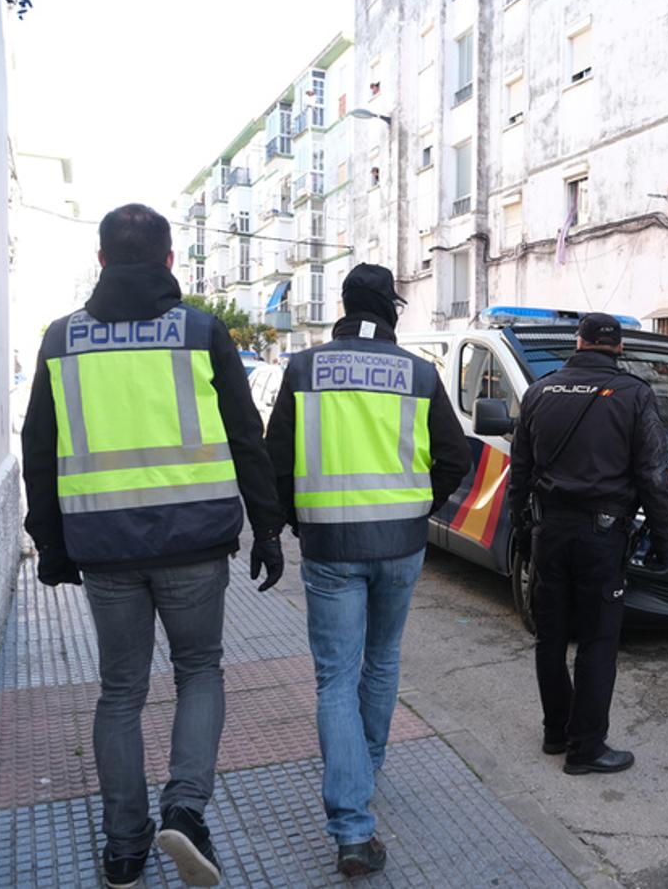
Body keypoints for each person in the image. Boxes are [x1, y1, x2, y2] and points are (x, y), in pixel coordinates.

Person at [21, 203, 285, 888]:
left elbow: (39, 450)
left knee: (120, 692)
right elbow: (245, 437)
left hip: (104, 547)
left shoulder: (61, 339)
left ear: (102, 261)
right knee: (199, 671)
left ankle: (124, 850)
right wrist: (268, 529)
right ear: (170, 262)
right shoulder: (200, 331)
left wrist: (50, 543)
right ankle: (186, 812)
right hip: (195, 545)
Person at [265, 264, 470, 877]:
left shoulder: (304, 369)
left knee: (334, 678)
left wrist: (295, 521)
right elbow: (455, 458)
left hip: (329, 547)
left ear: (343, 306)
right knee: (381, 662)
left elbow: (277, 460)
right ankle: (363, 771)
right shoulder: (419, 372)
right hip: (400, 546)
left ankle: (352, 828)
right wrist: (417, 509)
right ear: (392, 312)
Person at [508, 313, 668, 776]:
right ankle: (586, 748)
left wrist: (522, 532)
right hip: (602, 536)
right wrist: (663, 540)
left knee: (550, 636)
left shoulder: (539, 391)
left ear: (577, 342)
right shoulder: (635, 395)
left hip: (548, 533)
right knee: (598, 641)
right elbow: (654, 476)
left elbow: (519, 474)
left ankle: (555, 731)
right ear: (618, 348)